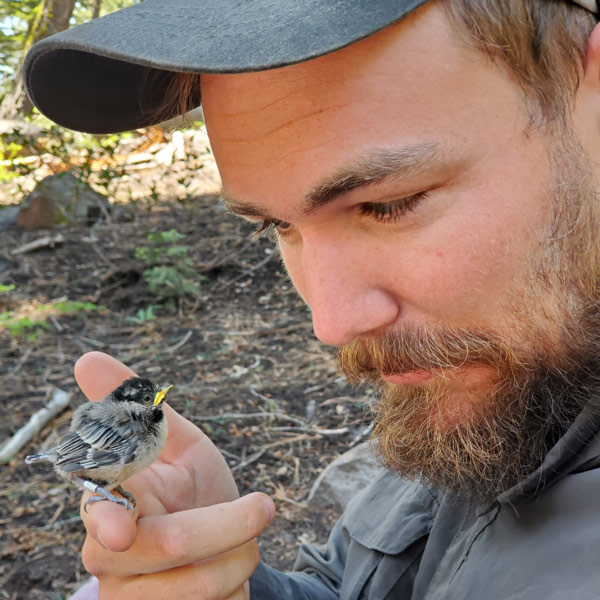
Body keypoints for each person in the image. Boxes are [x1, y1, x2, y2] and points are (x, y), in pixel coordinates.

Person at [22, 0, 600, 598]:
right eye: (278, 226)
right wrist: (227, 585)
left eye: (390, 204)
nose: (331, 321)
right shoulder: (505, 381)